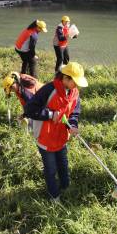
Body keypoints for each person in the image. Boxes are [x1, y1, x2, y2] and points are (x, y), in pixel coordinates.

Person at [24, 62, 88, 201]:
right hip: (45, 137)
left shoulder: (74, 92)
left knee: (63, 165)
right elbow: (29, 109)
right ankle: (54, 196)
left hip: (61, 138)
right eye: (74, 82)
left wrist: (72, 124)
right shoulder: (49, 89)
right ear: (65, 78)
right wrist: (51, 115)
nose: (76, 86)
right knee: (51, 169)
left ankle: (66, 188)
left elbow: (74, 113)